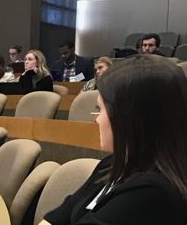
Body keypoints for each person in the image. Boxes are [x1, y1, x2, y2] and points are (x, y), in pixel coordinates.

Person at [41, 55, 187, 225]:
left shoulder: (153, 193)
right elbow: (60, 215)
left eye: (100, 109)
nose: (96, 119)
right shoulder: (113, 163)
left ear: (131, 118)